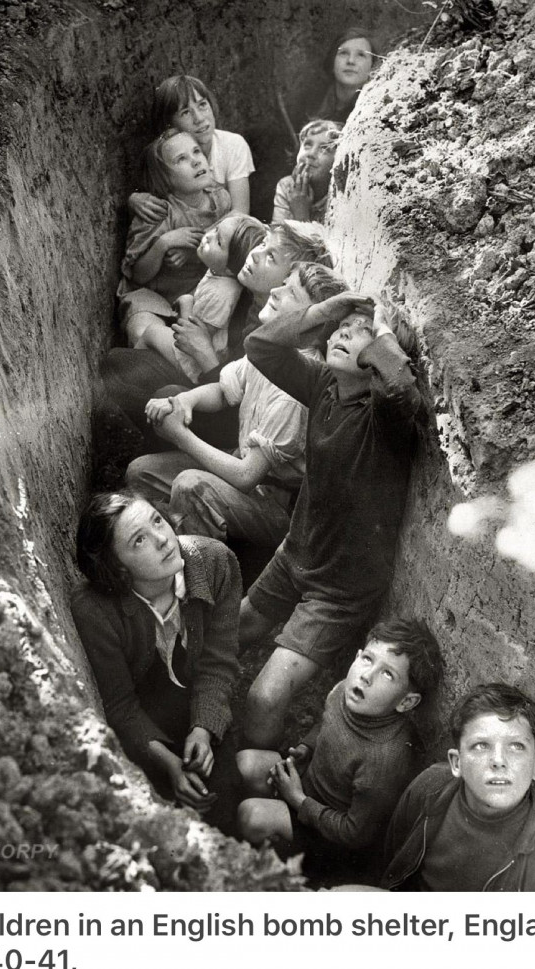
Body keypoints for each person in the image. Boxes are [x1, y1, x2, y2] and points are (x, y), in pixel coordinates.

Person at [240, 293, 422, 748]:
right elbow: (261, 346)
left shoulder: (385, 416)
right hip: (295, 554)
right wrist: (326, 309)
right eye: (342, 327)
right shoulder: (324, 385)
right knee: (232, 632)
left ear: (381, 354)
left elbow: (403, 392)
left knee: (264, 698)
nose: (344, 333)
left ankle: (251, 776)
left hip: (339, 590)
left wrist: (381, 331)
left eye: (360, 330)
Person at [125, 263, 347, 549]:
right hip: (240, 464)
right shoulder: (269, 353)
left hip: (274, 504)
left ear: (310, 324)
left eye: (290, 292)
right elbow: (223, 389)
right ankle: (166, 540)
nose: (276, 291)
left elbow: (247, 476)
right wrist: (184, 400)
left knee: (190, 486)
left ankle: (200, 567)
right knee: (140, 474)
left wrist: (180, 435)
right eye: (283, 283)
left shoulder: (293, 390)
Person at [70, 490, 241, 832]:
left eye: (157, 521)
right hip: (145, 715)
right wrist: (169, 765)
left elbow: (218, 665)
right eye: (139, 541)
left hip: (196, 697)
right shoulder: (94, 611)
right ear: (117, 566)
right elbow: (120, 705)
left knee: (223, 803)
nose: (163, 540)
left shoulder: (216, 562)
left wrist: (204, 729)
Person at [237, 619, 443, 881]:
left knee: (251, 815)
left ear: (406, 702)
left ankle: (286, 875)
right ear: (357, 657)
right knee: (245, 763)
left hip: (331, 839)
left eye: (387, 674)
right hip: (308, 791)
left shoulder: (384, 759)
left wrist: (298, 800)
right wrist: (306, 746)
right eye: (368, 659)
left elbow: (354, 834)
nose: (367, 676)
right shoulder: (346, 690)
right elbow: (328, 720)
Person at [102, 220, 332, 450]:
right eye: (263, 243)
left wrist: (204, 353)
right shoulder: (246, 289)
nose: (255, 254)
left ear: (289, 279)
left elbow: (234, 409)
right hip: (206, 379)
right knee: (119, 363)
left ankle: (155, 454)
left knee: (155, 388)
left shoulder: (277, 332)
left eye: (271, 257)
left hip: (233, 426)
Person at [378, 683, 535, 891]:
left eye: (516, 746)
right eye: (481, 745)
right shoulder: (430, 787)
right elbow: (389, 864)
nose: (498, 760)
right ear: (457, 763)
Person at [118, 129, 232, 347]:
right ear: (165, 178)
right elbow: (138, 276)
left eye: (196, 152)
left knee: (216, 328)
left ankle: (190, 360)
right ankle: (169, 357)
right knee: (141, 329)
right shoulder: (159, 212)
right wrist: (164, 243)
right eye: (182, 159)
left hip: (197, 292)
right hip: (154, 296)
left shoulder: (221, 199)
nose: (196, 161)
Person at [134, 213, 265, 384]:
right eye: (216, 229)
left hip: (194, 362)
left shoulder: (220, 294)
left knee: (151, 333)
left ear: (230, 269)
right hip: (193, 345)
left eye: (219, 242)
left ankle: (129, 373)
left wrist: (187, 302)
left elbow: (194, 334)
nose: (208, 237)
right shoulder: (217, 272)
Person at [130, 74, 254, 220]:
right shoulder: (164, 154)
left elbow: (240, 213)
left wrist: (198, 237)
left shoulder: (232, 145)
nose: (199, 119)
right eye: (186, 112)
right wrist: (133, 199)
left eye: (202, 105)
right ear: (169, 125)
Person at [272, 120, 342, 224]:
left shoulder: (341, 195)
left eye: (324, 149)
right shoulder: (287, 186)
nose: (311, 154)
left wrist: (301, 215)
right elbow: (277, 237)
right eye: (308, 145)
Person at [312, 27, 380, 126]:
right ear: (332, 61)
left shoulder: (374, 111)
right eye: (343, 53)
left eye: (361, 55)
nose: (351, 61)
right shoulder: (312, 104)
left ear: (372, 66)